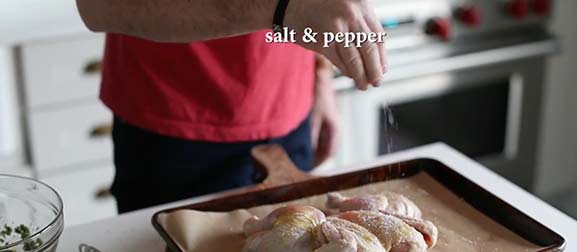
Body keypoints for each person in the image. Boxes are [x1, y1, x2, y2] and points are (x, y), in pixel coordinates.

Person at [75, 0, 387, 213]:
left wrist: (319, 80)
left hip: (290, 112)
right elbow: (99, 7)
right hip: (170, 128)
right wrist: (282, 6)